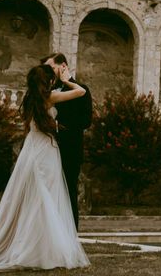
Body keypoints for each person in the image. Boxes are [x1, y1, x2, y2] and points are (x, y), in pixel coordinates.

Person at [0, 65, 90, 270]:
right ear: (48, 81)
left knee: (34, 198)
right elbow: (81, 92)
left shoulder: (31, 99)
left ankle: (33, 245)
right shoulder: (50, 97)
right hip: (46, 150)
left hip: (32, 148)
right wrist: (67, 80)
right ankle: (41, 248)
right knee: (46, 197)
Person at [41, 53, 93, 230]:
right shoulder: (48, 92)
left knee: (69, 189)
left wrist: (61, 126)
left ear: (62, 66)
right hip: (47, 147)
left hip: (70, 148)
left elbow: (86, 121)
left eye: (51, 67)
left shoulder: (81, 89)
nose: (48, 72)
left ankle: (70, 233)